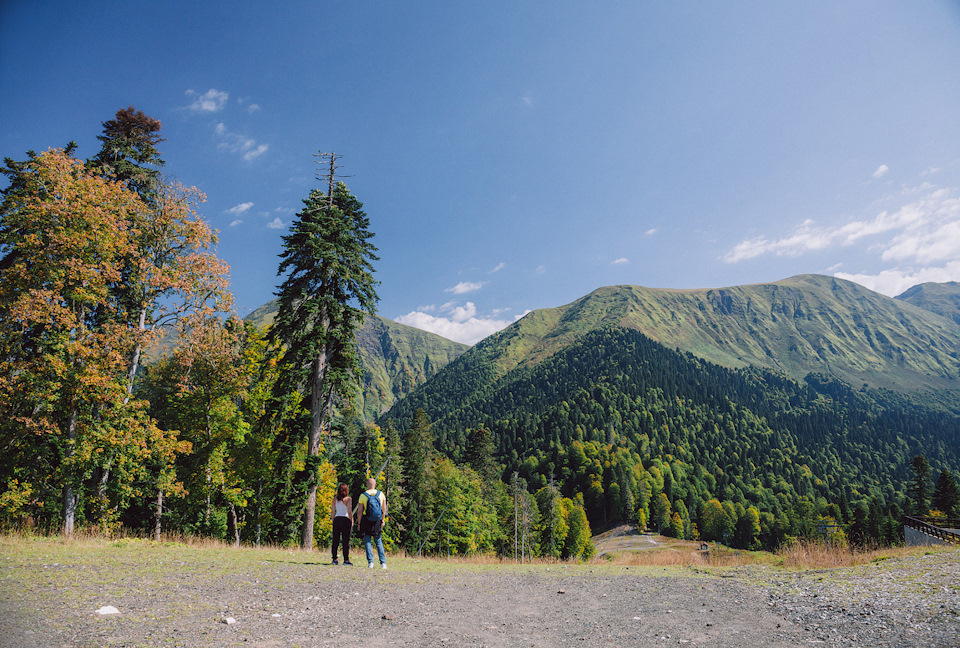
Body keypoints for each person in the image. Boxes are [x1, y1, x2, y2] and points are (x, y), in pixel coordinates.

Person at [356, 477, 387, 569]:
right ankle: (383, 563)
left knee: (367, 541)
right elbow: (384, 508)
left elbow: (360, 511)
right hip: (377, 519)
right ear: (375, 485)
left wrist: (359, 523)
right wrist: (383, 519)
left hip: (366, 519)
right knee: (378, 540)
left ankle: (371, 562)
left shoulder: (363, 495)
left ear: (366, 485)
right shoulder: (381, 494)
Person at [330, 483, 353, 565]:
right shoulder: (348, 499)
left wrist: (333, 519)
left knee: (335, 540)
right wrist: (352, 520)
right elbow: (349, 511)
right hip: (345, 519)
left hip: (337, 519)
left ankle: (334, 558)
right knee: (345, 541)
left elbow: (333, 511)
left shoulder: (335, 499)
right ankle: (346, 559)